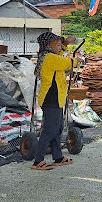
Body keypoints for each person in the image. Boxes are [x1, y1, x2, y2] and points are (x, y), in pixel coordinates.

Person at [31, 32, 78, 171]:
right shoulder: (50, 58)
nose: (60, 48)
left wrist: (65, 44)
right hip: (51, 98)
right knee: (49, 130)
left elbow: (59, 56)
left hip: (55, 98)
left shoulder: (48, 56)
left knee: (57, 127)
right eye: (57, 45)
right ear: (49, 46)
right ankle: (38, 161)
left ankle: (58, 157)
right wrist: (76, 61)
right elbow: (66, 62)